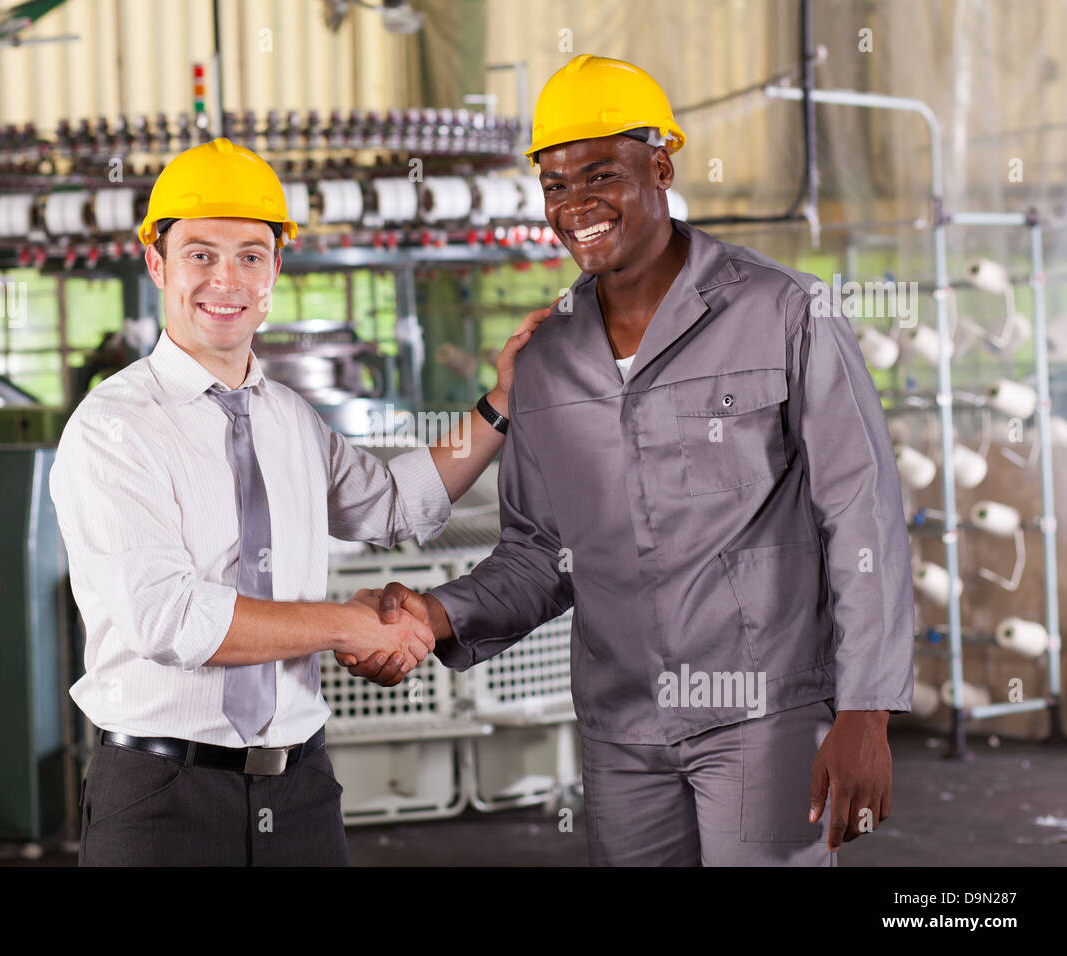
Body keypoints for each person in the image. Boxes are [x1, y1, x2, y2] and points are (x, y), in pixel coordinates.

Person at [347, 54, 914, 866]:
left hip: (764, 716)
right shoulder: (545, 362)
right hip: (621, 733)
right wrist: (438, 617)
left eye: (600, 174)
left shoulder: (784, 312)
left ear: (661, 166)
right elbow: (541, 555)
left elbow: (863, 514)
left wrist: (867, 709)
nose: (575, 205)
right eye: (554, 186)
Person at [49, 138, 544, 866]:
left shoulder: (289, 418)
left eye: (251, 254)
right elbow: (172, 618)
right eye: (200, 254)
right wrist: (347, 625)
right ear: (156, 262)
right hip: (162, 800)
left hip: (300, 793)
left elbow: (395, 505)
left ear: (277, 268)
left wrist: (501, 401)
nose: (227, 278)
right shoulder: (113, 427)